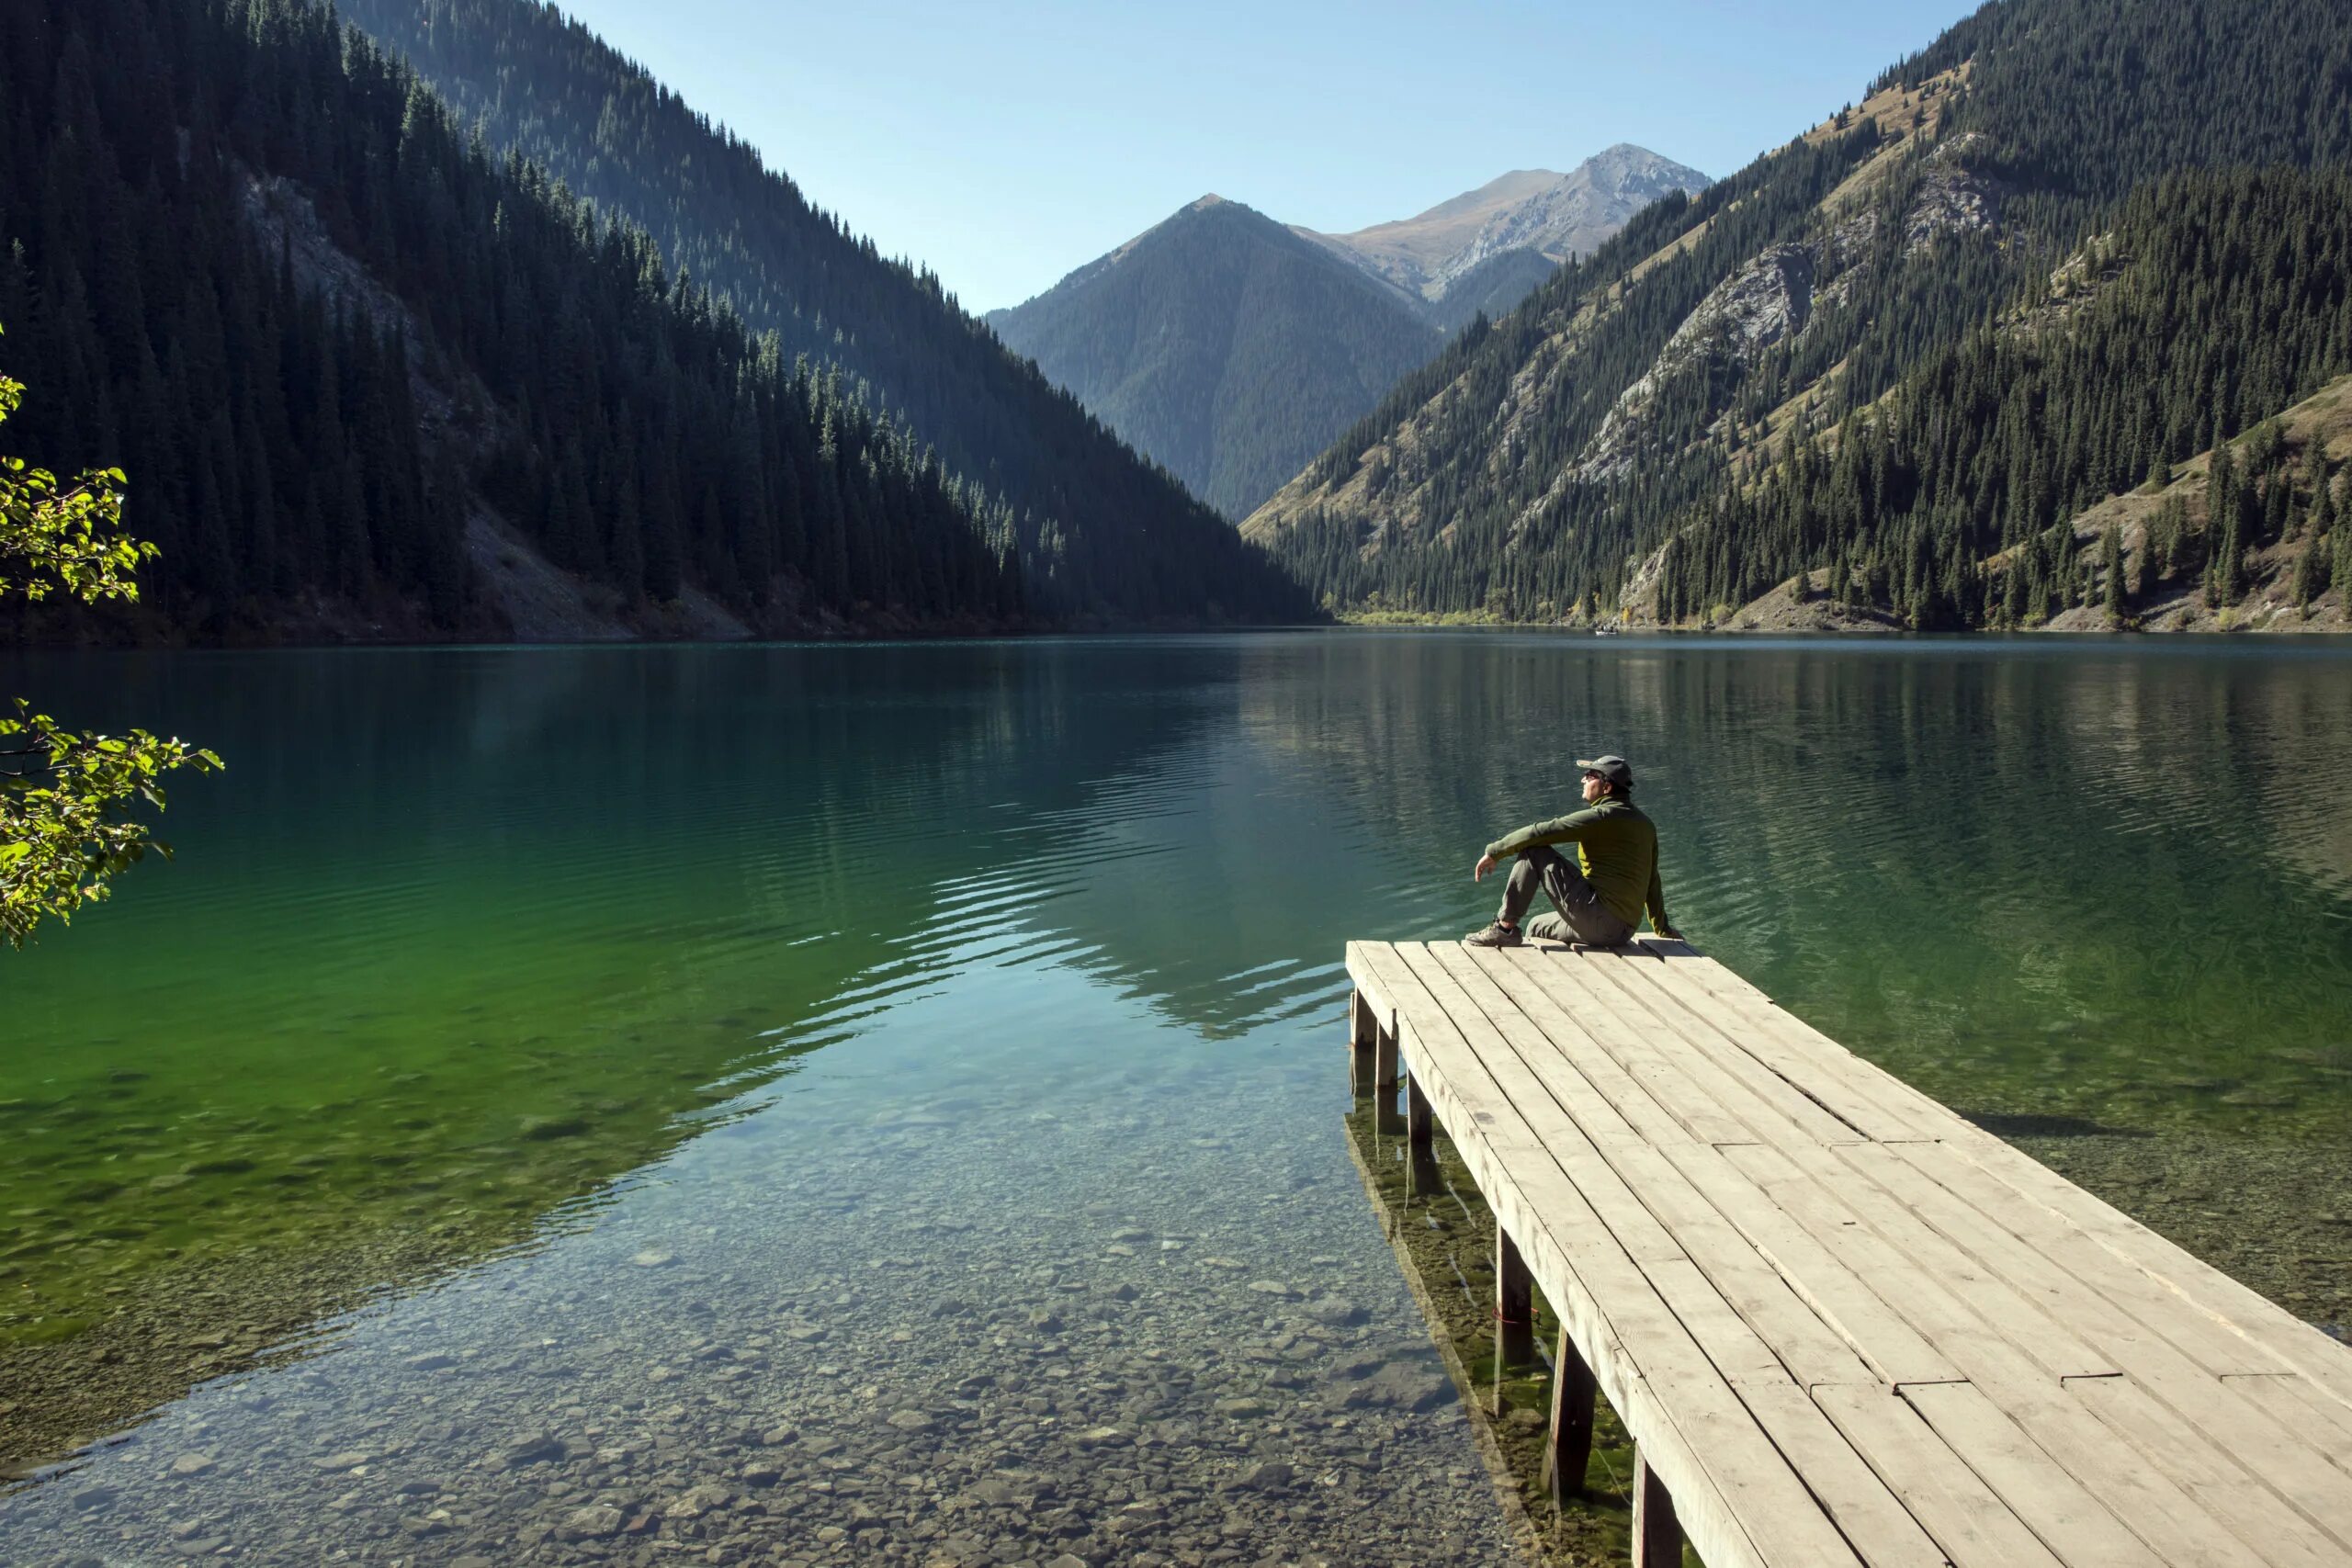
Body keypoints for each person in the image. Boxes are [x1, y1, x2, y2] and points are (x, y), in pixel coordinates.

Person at [1464, 754, 1679, 948]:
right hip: (1622, 931)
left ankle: (1504, 930)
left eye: (1591, 775)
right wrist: (1663, 928)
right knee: (1537, 927)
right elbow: (1652, 879)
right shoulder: (1645, 824)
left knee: (1534, 852)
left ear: (1607, 788)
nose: (1583, 780)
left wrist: (1495, 852)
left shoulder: (1602, 818)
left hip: (1600, 921)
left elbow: (1541, 831)